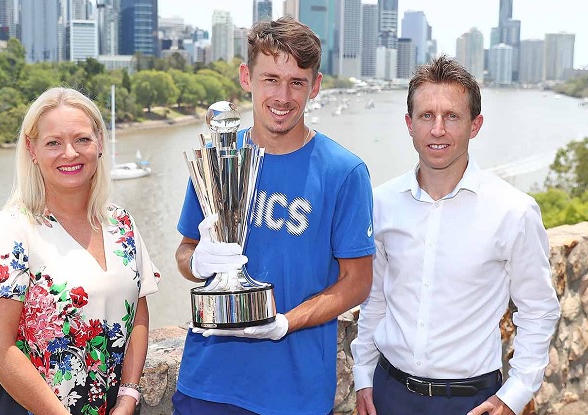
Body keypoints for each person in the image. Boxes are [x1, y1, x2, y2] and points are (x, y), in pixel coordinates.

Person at [173, 16, 375, 415]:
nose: (283, 96)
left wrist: (284, 322)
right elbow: (185, 251)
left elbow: (357, 283)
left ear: (315, 86)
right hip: (207, 382)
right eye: (271, 79)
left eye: (297, 82)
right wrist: (196, 262)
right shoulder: (218, 157)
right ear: (246, 78)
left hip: (295, 394)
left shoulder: (344, 172)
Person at [351, 55, 561, 415]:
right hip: (388, 393)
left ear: (474, 125)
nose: (438, 130)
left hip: (471, 402)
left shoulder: (513, 210)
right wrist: (363, 376)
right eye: (426, 116)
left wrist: (514, 395)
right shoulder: (381, 202)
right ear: (409, 123)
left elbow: (539, 309)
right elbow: (376, 300)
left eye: (452, 116)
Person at [0, 87, 161, 415]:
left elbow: (137, 313)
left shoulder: (120, 223)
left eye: (82, 139)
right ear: (32, 149)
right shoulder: (9, 231)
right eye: (53, 143)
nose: (70, 153)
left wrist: (127, 397)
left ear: (100, 143)